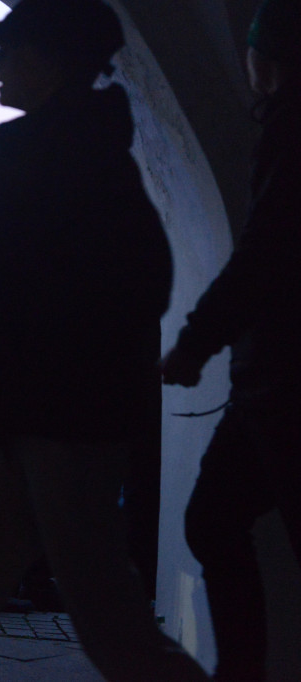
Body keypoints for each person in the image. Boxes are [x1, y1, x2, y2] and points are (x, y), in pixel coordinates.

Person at [0, 1, 209, 679]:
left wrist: (37, 377)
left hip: (55, 428)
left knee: (109, 630)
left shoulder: (71, 155)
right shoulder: (67, 148)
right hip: (23, 428)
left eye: (11, 48)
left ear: (53, 58)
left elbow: (136, 283)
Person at [160, 1, 301, 678]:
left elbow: (264, 251)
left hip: (280, 382)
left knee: (212, 521)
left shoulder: (288, 127)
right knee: (213, 519)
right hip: (268, 383)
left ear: (264, 60)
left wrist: (193, 343)